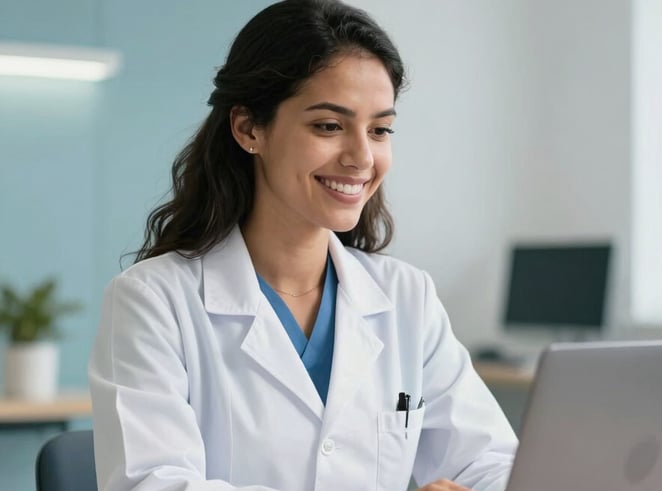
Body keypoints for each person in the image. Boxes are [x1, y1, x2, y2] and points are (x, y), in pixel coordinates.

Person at [88, 1, 518, 489]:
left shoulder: (406, 298)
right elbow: (153, 483)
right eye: (329, 126)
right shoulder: (152, 301)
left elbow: (491, 463)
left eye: (379, 130)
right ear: (249, 128)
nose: (362, 157)